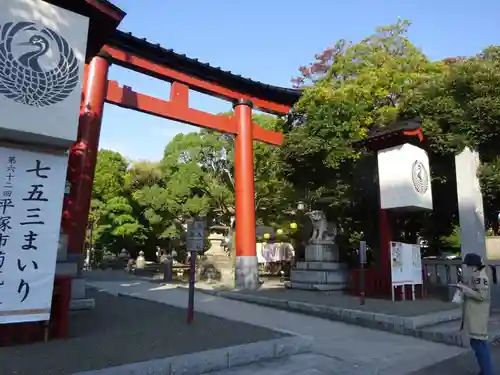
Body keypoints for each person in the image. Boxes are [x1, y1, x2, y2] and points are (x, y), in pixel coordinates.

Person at [455, 253, 495, 375]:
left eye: (468, 265)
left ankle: (487, 372)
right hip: (476, 314)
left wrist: (466, 290)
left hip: (478, 315)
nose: (468, 267)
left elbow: (482, 295)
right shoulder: (478, 274)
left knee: (479, 344)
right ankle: (485, 371)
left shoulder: (480, 277)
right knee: (478, 343)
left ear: (473, 265)